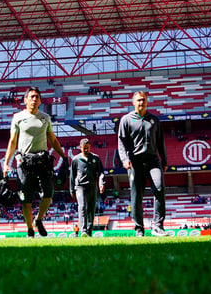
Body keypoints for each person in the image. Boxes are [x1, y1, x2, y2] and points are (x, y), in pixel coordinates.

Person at [3, 86, 67, 237]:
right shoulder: (17, 117)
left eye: (37, 97)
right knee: (26, 198)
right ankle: (29, 229)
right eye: (31, 97)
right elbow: (13, 141)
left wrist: (64, 156)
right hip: (24, 162)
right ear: (25, 100)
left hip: (43, 160)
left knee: (48, 193)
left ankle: (38, 220)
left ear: (40, 100)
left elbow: (53, 139)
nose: (34, 99)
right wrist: (6, 162)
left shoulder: (45, 117)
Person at [117, 91, 168, 237]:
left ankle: (158, 226)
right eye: (138, 100)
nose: (141, 102)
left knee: (159, 188)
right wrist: (124, 159)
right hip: (135, 163)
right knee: (137, 196)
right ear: (133, 102)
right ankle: (139, 229)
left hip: (153, 161)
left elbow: (160, 142)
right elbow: (121, 142)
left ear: (147, 102)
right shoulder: (126, 120)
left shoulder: (154, 120)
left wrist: (164, 160)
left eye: (143, 100)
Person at [69, 137, 106, 237]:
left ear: (90, 147)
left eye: (88, 148)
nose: (86, 150)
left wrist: (101, 183)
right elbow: (72, 175)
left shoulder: (96, 158)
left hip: (92, 186)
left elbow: (101, 172)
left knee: (91, 209)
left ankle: (89, 232)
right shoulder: (76, 159)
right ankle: (83, 230)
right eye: (84, 148)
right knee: (82, 206)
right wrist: (71, 189)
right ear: (80, 147)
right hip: (80, 186)